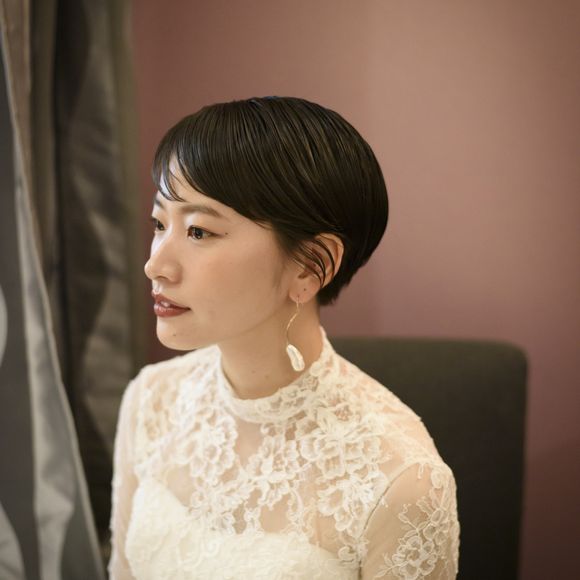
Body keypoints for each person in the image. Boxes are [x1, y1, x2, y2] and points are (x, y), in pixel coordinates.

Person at [108, 96, 460, 579]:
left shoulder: (402, 483)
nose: (155, 265)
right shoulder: (152, 401)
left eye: (198, 232)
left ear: (311, 266)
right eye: (159, 224)